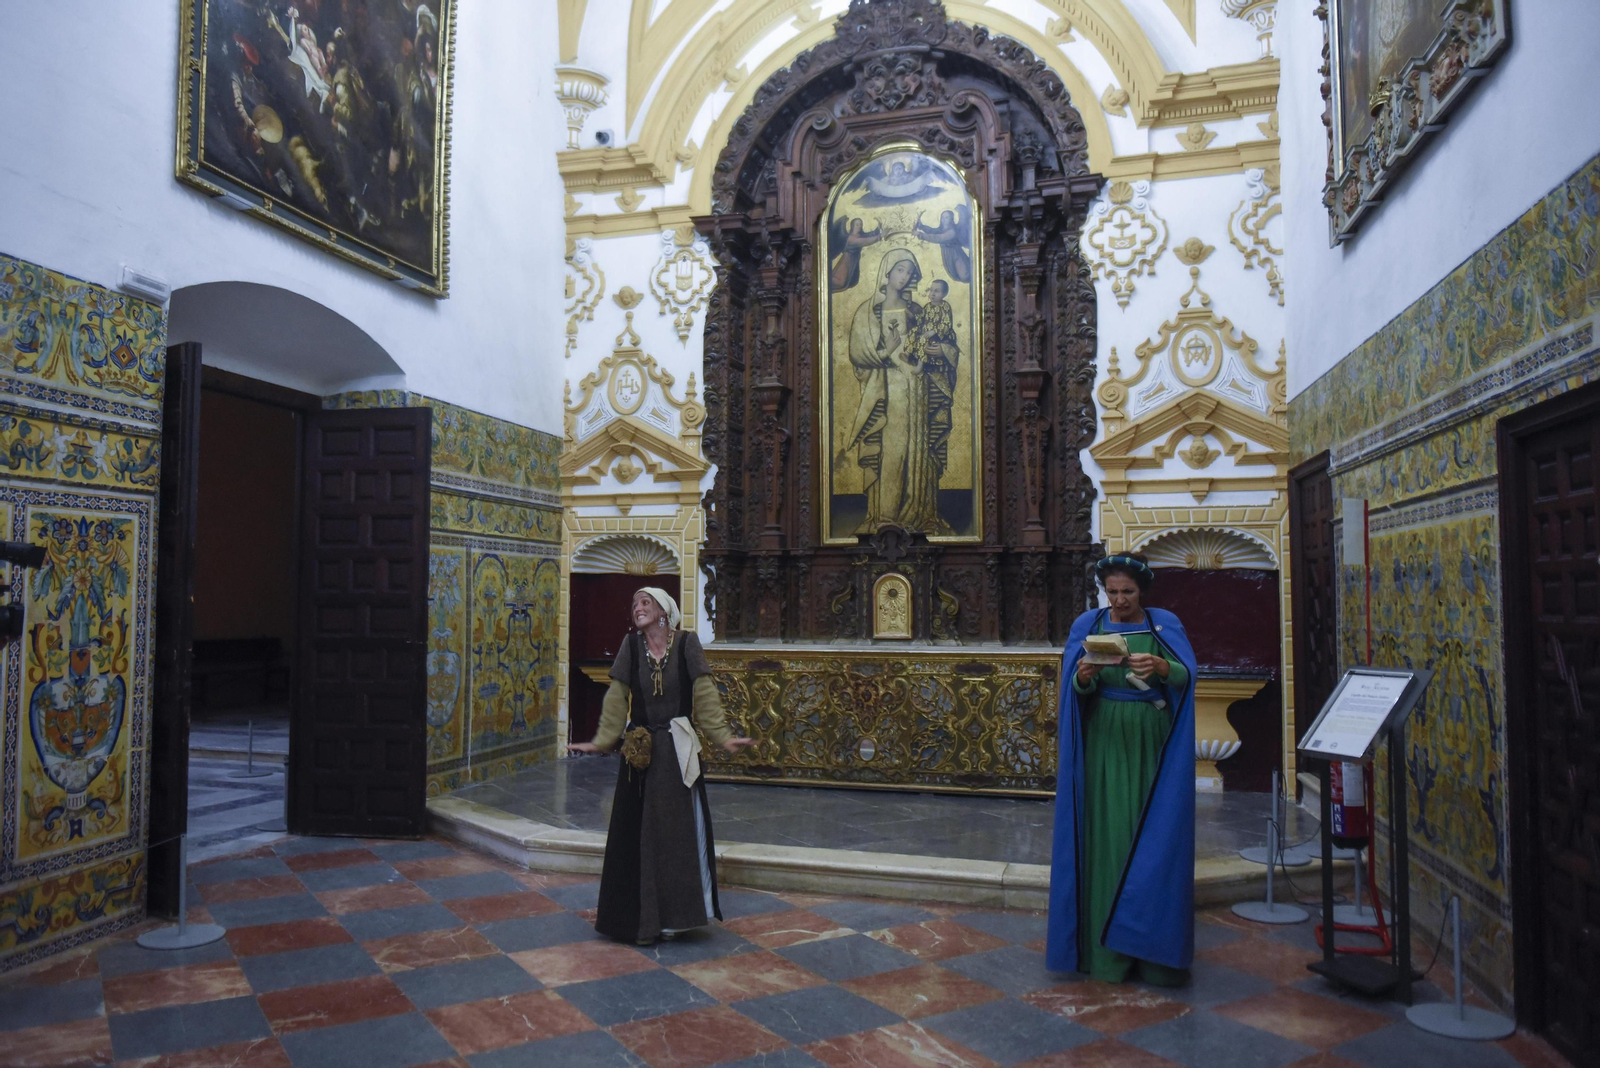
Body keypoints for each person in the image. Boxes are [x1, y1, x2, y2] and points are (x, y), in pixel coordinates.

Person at [568, 588, 755, 945]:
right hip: (640, 753)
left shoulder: (686, 644)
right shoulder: (631, 646)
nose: (637, 608)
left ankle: (677, 918)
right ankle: (639, 921)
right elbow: (617, 695)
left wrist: (722, 736)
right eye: (634, 603)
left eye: (645, 603)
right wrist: (604, 740)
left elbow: (704, 693)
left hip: (677, 750)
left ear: (663, 611)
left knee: (676, 835)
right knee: (638, 834)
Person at [1046, 553, 1197, 984]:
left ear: (1142, 591)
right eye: (1111, 592)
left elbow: (1188, 677)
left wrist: (1163, 667)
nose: (1118, 600)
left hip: (1151, 740)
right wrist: (1085, 675)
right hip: (1103, 741)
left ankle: (1152, 956)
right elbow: (1074, 688)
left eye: (1127, 592)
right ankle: (1107, 954)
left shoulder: (1163, 624)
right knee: (1108, 836)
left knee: (1152, 833)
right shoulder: (1088, 625)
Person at [843, 249, 952, 535]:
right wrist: (888, 348)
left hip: (917, 387)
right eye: (899, 270)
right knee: (891, 447)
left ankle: (918, 512)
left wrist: (940, 350)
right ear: (886, 272)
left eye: (908, 272)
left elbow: (944, 341)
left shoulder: (917, 310)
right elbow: (859, 354)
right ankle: (884, 515)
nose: (903, 277)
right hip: (887, 389)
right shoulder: (868, 312)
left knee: (918, 445)